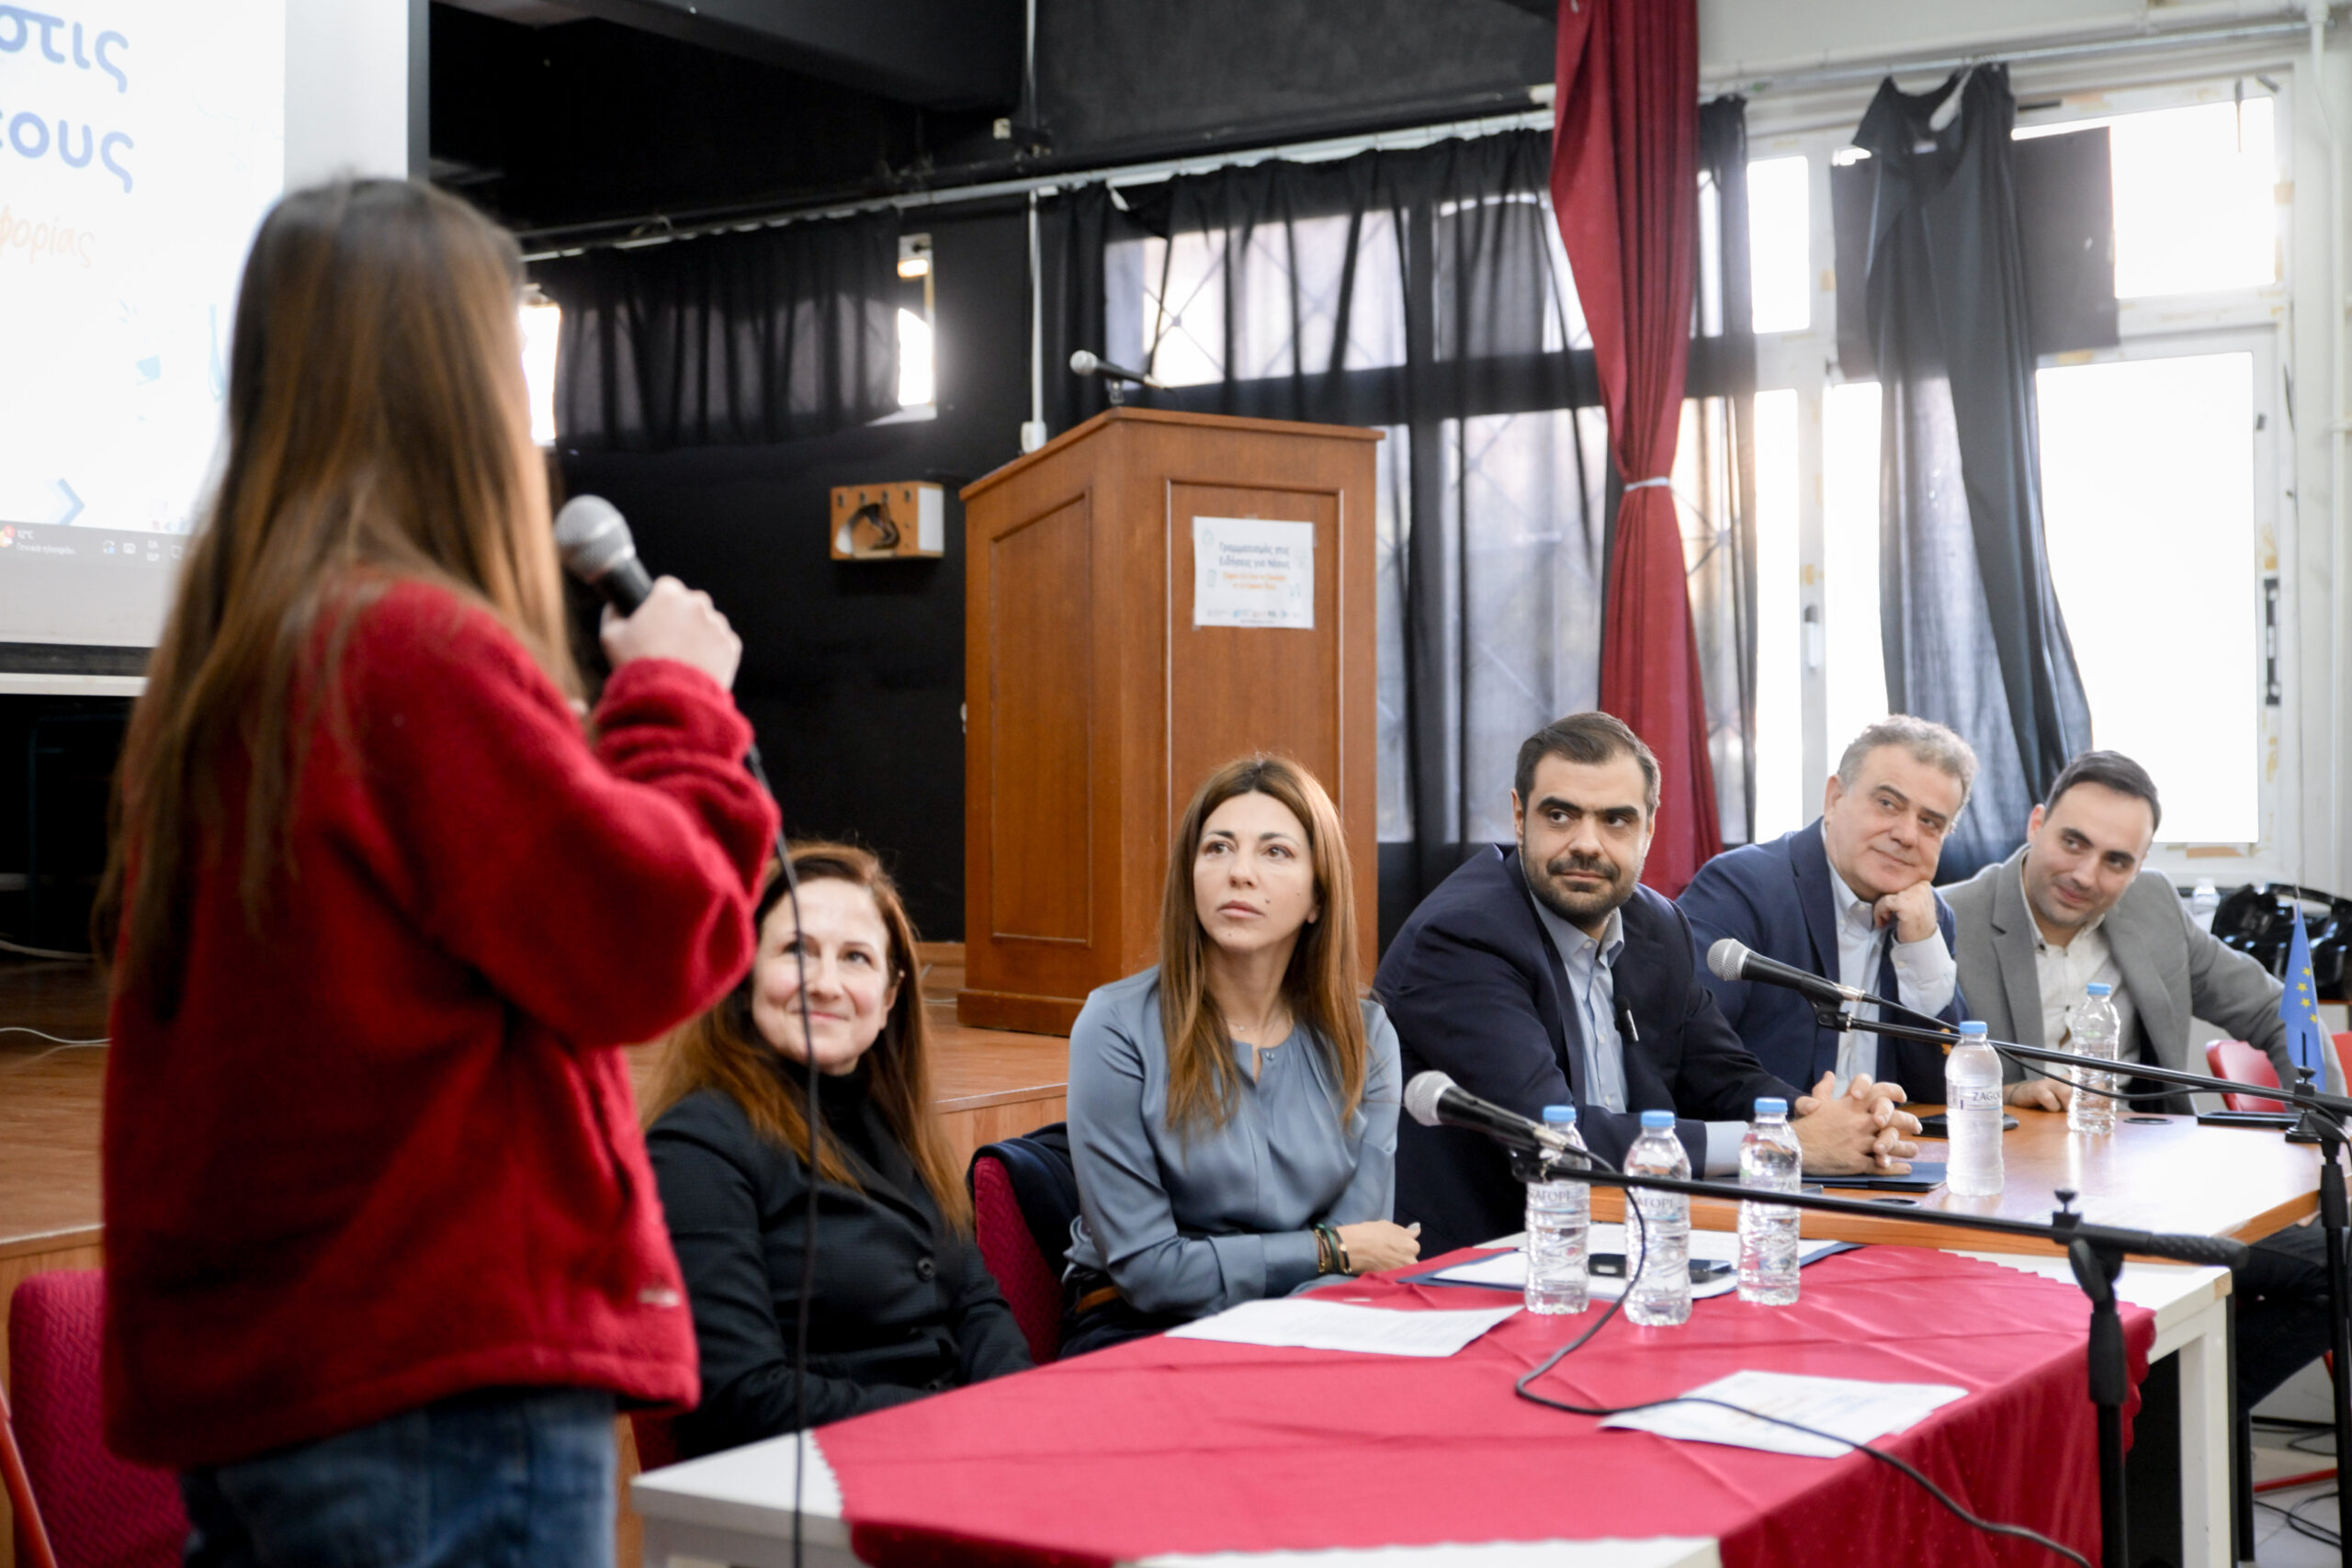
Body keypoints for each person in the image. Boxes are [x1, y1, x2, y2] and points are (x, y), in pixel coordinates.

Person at [96, 180, 777, 1566]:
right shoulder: (410, 647)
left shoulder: (234, 662)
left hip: (286, 1384)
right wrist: (678, 704)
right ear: (458, 391)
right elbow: (645, 943)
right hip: (435, 1381)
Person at [1375, 712, 1918, 1258]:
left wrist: (1820, 1118)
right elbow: (1554, 1138)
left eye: (1616, 820)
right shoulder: (1463, 936)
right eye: (1560, 816)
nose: (1587, 844)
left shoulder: (1655, 925)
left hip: (1635, 1238)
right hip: (1487, 1258)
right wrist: (1785, 1143)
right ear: (1520, 817)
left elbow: (1720, 1074)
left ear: (1649, 829)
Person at [1943, 750, 2332, 1410]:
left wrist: (2322, 1126)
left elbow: (2281, 1009)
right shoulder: (1950, 919)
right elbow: (1904, 1072)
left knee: (2340, 1262)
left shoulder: (2152, 907)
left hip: (2158, 1193)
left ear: (2139, 866)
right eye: (2072, 842)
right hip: (2022, 1209)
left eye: (2116, 861)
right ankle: (2155, 1422)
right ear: (2036, 823)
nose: (2085, 875)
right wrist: (1998, 1094)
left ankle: (2175, 1413)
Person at [645, 843, 1032, 1456]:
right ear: (744, 971)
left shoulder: (899, 1125)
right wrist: (955, 1423)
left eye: (855, 957)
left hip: (953, 1454)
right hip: (803, 1479)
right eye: (796, 950)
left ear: (890, 995)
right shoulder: (697, 1145)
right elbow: (739, 1397)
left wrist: (1017, 1415)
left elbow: (976, 1305)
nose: (825, 984)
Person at [1062, 755, 1414, 1354]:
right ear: (1191, 877)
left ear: (1318, 896)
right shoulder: (1114, 1024)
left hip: (1310, 1324)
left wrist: (1296, 1324)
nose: (1240, 873)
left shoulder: (1367, 1035)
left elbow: (1359, 1251)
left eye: (1275, 852)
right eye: (1218, 848)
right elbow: (1150, 1271)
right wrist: (1327, 1248)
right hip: (1141, 1325)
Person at [1679, 715, 1974, 1098]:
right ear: (1834, 799)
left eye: (1931, 823)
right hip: (1772, 1133)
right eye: (1887, 804)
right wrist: (1810, 1119)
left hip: (1886, 1136)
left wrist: (1922, 949)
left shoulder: (1928, 918)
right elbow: (1694, 1056)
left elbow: (1945, 1091)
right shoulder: (1743, 887)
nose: (1906, 835)